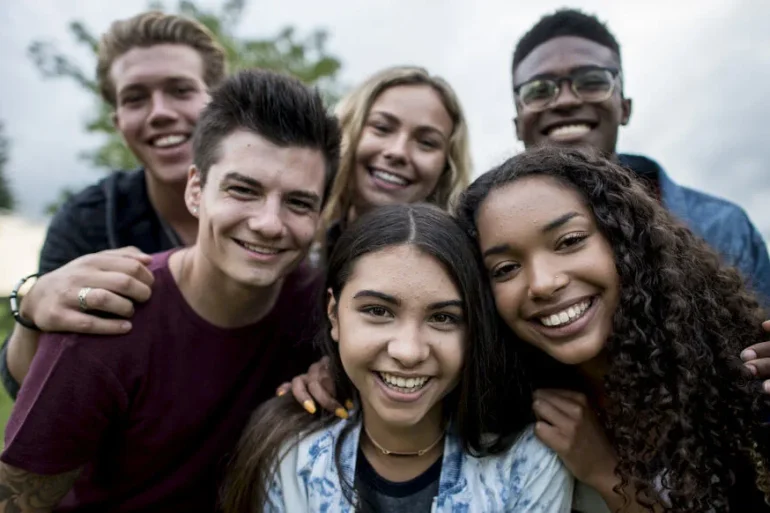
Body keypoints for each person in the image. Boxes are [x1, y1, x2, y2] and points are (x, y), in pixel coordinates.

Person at [0, 69, 340, 512]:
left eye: (298, 202)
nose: (269, 223)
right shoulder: (107, 316)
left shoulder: (323, 310)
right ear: (196, 190)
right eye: (243, 190)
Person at [457, 147, 770, 512]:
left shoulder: (741, 379)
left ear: (625, 241)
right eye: (505, 268)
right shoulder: (503, 416)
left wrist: (606, 473)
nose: (542, 283)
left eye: (570, 241)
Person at [221, 203, 573, 512]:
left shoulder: (526, 463)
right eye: (378, 311)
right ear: (334, 315)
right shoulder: (290, 453)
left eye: (443, 318)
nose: (408, 352)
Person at [1, 11, 226, 399]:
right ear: (118, 121)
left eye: (180, 90)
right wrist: (33, 306)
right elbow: (26, 387)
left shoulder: (276, 207)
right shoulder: (87, 221)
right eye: (136, 98)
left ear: (219, 103)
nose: (160, 112)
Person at [510, 9, 770, 305]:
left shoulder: (723, 228)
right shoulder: (481, 241)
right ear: (518, 122)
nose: (567, 100)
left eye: (592, 81)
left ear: (624, 107)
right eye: (538, 90)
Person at [320, 66, 472, 259]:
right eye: (382, 128)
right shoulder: (299, 254)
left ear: (446, 168)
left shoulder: (461, 272)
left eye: (426, 142)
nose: (398, 152)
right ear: (347, 133)